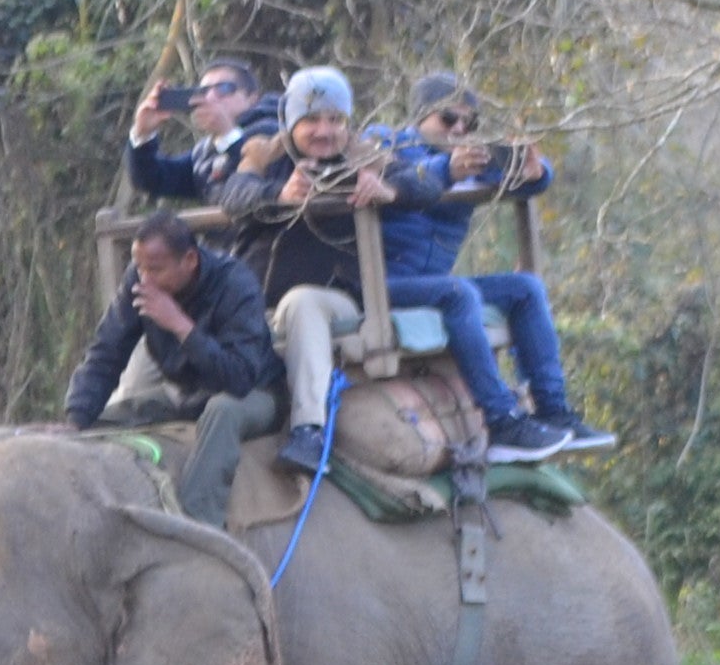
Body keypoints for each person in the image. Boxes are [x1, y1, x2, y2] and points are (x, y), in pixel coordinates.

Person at [217, 68, 557, 470]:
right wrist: (279, 194)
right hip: (256, 295)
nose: (324, 131)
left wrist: (389, 191)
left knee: (304, 302)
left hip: (334, 293)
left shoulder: (365, 155)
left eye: (335, 120)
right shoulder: (266, 157)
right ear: (291, 124)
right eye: (311, 120)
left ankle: (309, 431)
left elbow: (421, 183)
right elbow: (230, 195)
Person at [392, 71, 604, 453]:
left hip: (431, 284)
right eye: (447, 119)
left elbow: (524, 177)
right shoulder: (387, 146)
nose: (459, 129)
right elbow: (404, 180)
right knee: (460, 294)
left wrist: (535, 171)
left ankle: (553, 410)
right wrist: (446, 170)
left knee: (526, 288)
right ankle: (501, 418)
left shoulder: (470, 158)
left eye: (469, 123)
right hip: (382, 283)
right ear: (420, 116)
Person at [64, 212, 277, 430]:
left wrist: (180, 325)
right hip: (182, 394)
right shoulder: (140, 281)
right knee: (99, 422)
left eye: (155, 270)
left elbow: (239, 378)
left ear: (190, 260)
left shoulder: (236, 284)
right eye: (139, 267)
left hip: (250, 393)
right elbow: (107, 351)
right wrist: (76, 418)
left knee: (221, 412)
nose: (145, 278)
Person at [122, 59, 276, 202]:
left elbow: (271, 175)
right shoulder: (204, 152)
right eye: (204, 90)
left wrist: (227, 134)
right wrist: (143, 135)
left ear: (252, 98)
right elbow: (151, 181)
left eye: (224, 88)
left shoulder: (274, 129)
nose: (211, 97)